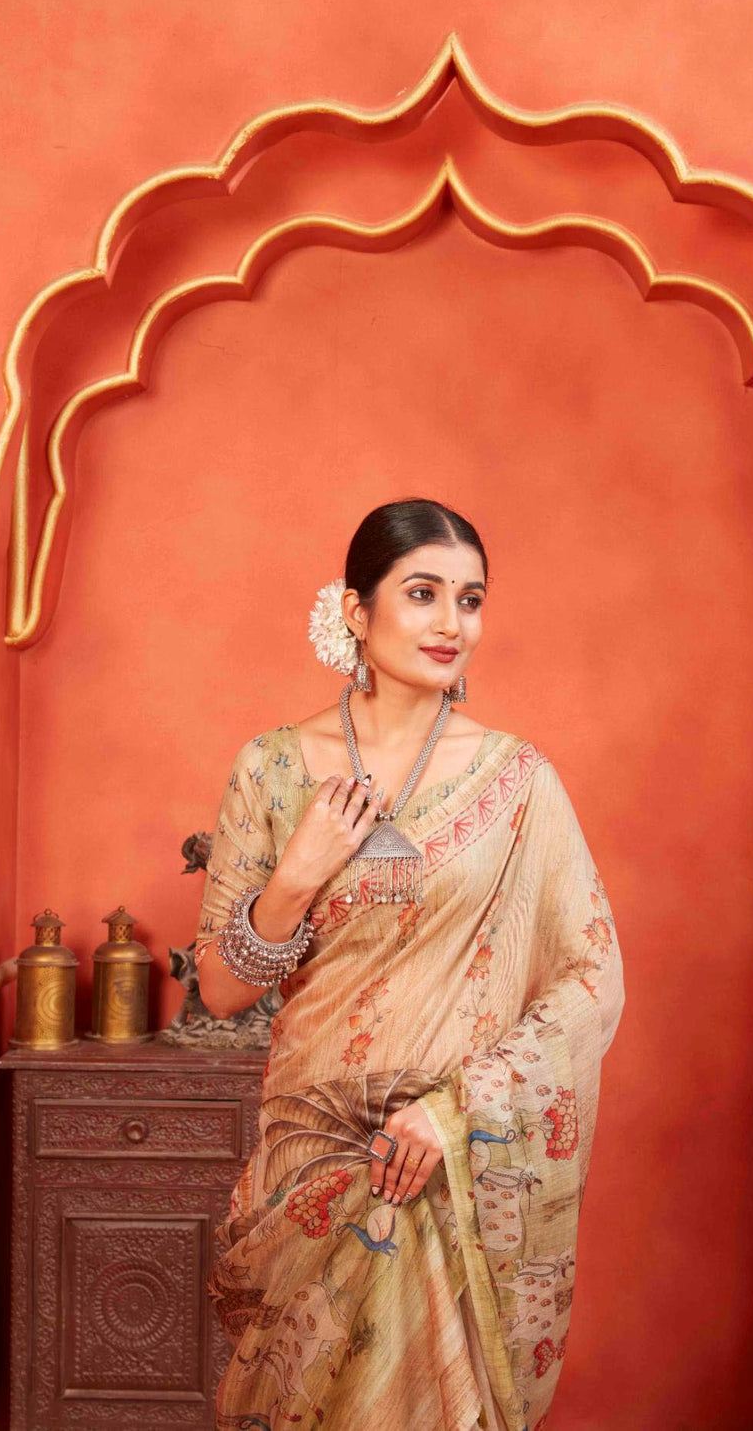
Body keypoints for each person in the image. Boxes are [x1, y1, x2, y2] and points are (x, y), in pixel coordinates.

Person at [195, 497, 626, 1431]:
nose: (451, 624)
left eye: (470, 600)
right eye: (422, 593)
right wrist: (296, 878)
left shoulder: (518, 783)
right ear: (355, 611)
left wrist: (453, 1110)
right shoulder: (271, 771)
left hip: (445, 1163)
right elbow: (222, 988)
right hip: (308, 1162)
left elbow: (592, 978)